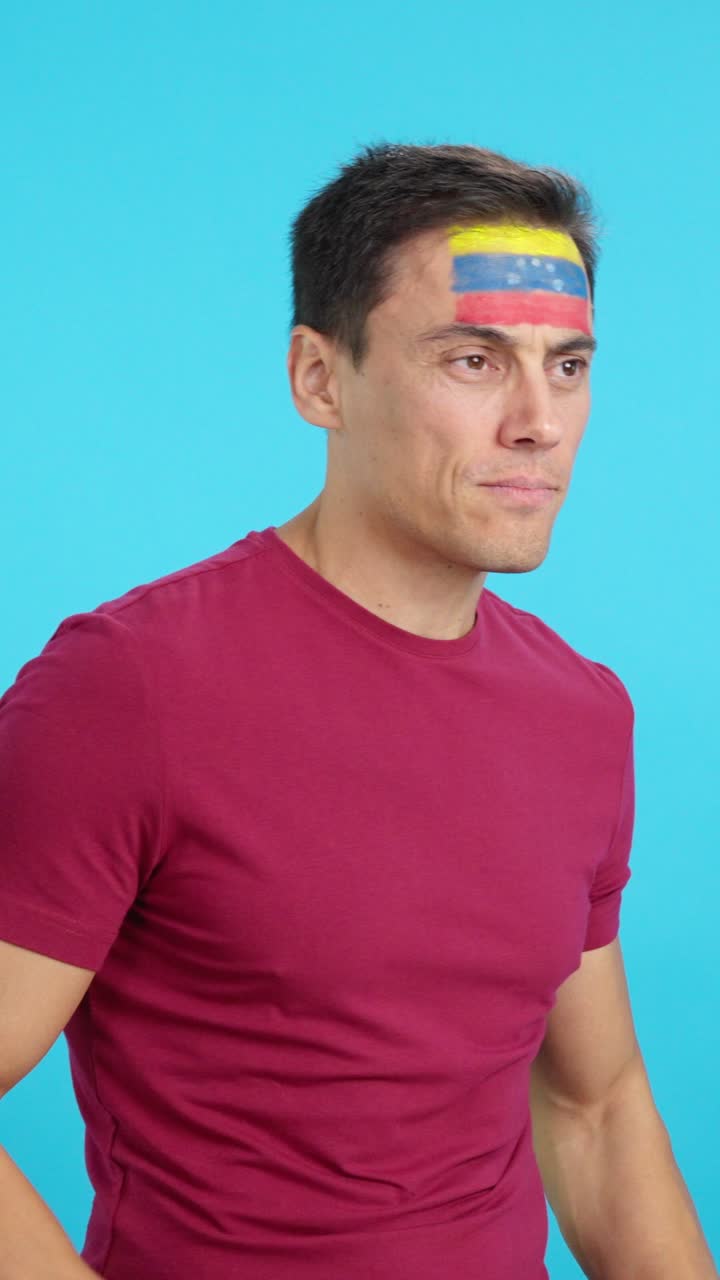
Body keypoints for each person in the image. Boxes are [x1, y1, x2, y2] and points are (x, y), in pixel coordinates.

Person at [0, 142, 716, 1280]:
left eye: (568, 366)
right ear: (320, 379)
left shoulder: (582, 711)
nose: (539, 421)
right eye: (475, 359)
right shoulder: (129, 687)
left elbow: (595, 1106)